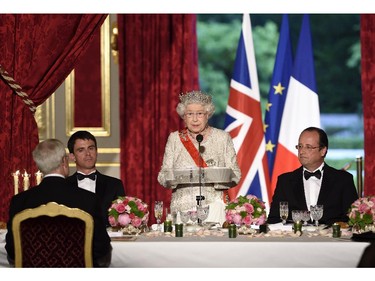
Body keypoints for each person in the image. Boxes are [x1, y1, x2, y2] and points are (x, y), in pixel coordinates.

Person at [5, 139, 112, 267]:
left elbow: (13, 252)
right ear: (64, 161)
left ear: (39, 166)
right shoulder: (89, 200)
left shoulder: (19, 202)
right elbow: (102, 251)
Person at [157, 90, 241, 224]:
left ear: (207, 115)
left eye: (200, 114)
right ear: (184, 116)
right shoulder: (175, 138)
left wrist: (218, 177)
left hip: (214, 205)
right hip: (183, 208)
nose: (195, 119)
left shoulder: (222, 137)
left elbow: (236, 174)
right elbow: (162, 177)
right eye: (190, 114)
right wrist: (174, 178)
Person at [267, 127, 359, 226]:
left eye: (308, 147)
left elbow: (353, 220)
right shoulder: (285, 181)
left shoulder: (343, 180)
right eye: (300, 146)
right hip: (295, 240)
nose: (301, 151)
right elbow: (274, 220)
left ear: (323, 151)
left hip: (332, 240)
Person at [66, 130, 125, 226]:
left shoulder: (114, 185)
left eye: (91, 148)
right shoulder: (64, 185)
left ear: (96, 152)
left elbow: (121, 221)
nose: (88, 153)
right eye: (81, 150)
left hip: (106, 240)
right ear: (72, 156)